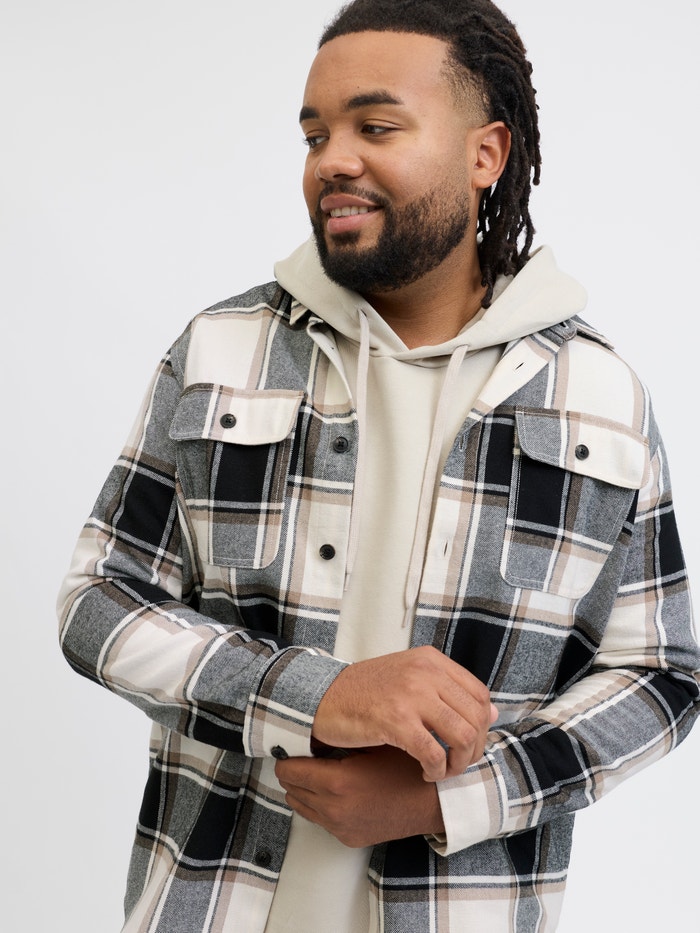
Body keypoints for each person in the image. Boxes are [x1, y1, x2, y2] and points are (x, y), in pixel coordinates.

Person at [57, 0, 700, 930]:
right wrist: (317, 694)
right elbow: (96, 603)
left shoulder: (598, 396)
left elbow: (661, 674)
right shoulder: (220, 353)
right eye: (316, 134)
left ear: (486, 155)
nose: (333, 160)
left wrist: (450, 799)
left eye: (376, 127)